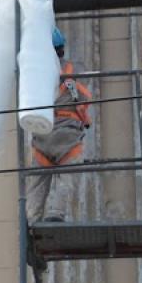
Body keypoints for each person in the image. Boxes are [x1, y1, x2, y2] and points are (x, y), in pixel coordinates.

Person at [27, 27, 93, 223]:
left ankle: (31, 216)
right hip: (67, 136)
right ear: (61, 49)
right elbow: (82, 99)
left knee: (38, 182)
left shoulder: (37, 72)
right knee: (66, 177)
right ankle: (56, 213)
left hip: (43, 135)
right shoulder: (74, 71)